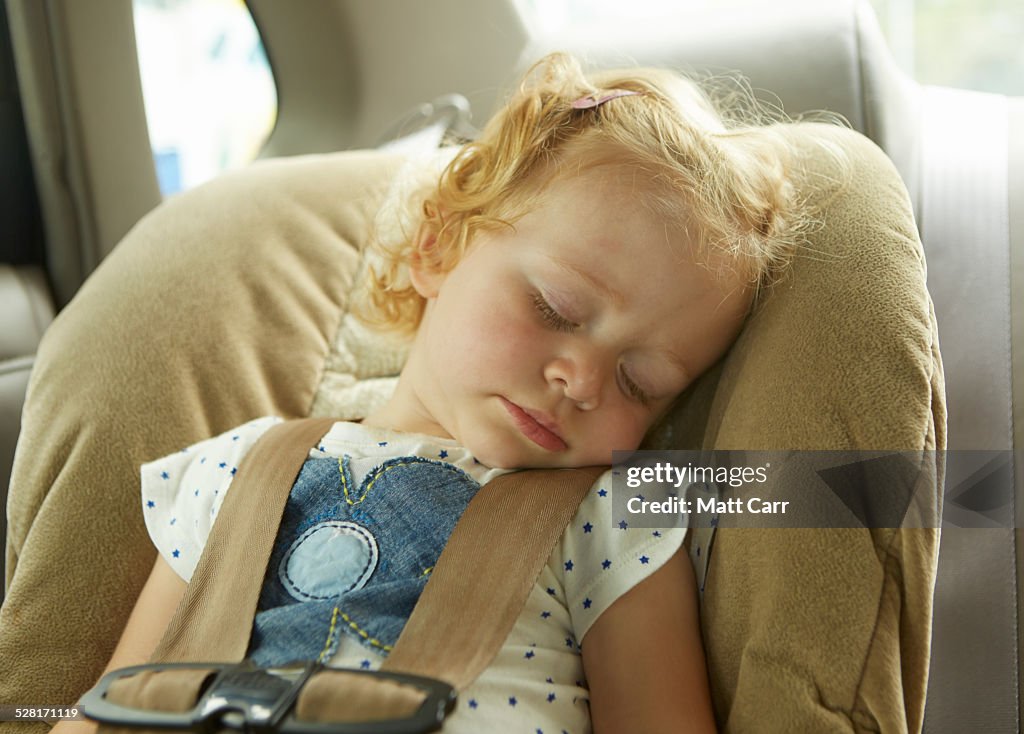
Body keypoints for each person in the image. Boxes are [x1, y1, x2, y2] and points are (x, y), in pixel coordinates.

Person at [60, 52, 807, 733]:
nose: (580, 380)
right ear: (438, 248)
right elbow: (109, 706)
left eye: (640, 384)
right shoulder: (235, 470)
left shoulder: (613, 517)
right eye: (555, 309)